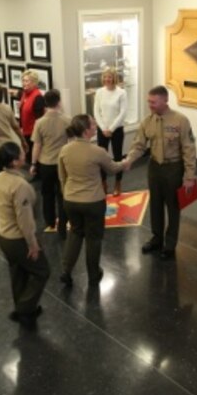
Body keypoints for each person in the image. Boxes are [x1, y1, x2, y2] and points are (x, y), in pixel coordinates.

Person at [126, 86, 197, 260]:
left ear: (165, 100)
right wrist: (129, 160)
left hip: (173, 168)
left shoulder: (180, 120)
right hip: (154, 167)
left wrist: (189, 177)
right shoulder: (147, 121)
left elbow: (189, 150)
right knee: (155, 205)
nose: (150, 105)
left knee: (173, 207)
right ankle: (157, 238)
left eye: (153, 102)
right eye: (149, 101)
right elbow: (139, 145)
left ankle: (170, 244)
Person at [58, 114, 126, 287]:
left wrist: (68, 194)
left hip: (71, 200)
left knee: (75, 232)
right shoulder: (97, 151)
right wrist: (127, 161)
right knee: (93, 238)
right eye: (93, 125)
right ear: (87, 130)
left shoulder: (65, 150)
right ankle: (93, 274)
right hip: (93, 202)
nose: (96, 126)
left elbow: (62, 177)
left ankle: (66, 270)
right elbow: (113, 169)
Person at [0, 142, 50, 329]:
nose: (24, 153)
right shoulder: (20, 186)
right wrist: (33, 245)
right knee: (42, 271)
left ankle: (21, 306)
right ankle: (25, 309)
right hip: (18, 239)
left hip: (3, 235)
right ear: (15, 161)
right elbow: (25, 221)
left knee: (18, 272)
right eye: (20, 153)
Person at [30, 89, 70, 238]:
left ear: (45, 103)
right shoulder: (67, 120)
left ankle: (50, 221)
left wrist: (34, 164)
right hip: (62, 163)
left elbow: (37, 146)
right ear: (59, 101)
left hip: (46, 163)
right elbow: (72, 142)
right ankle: (62, 225)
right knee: (62, 194)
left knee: (47, 194)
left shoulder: (39, 123)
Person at [94, 67, 127, 196]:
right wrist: (103, 128)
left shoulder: (121, 93)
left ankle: (118, 183)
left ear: (114, 78)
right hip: (102, 129)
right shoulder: (99, 92)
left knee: (118, 157)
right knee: (102, 157)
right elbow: (96, 111)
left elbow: (123, 113)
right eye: (105, 77)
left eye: (110, 77)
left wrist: (111, 129)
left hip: (117, 129)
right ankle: (103, 182)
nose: (107, 79)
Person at [13, 70, 45, 163]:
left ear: (34, 83)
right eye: (23, 81)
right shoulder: (25, 94)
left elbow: (39, 119)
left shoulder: (38, 97)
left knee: (34, 157)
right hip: (26, 132)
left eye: (27, 81)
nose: (24, 83)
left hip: (33, 133)